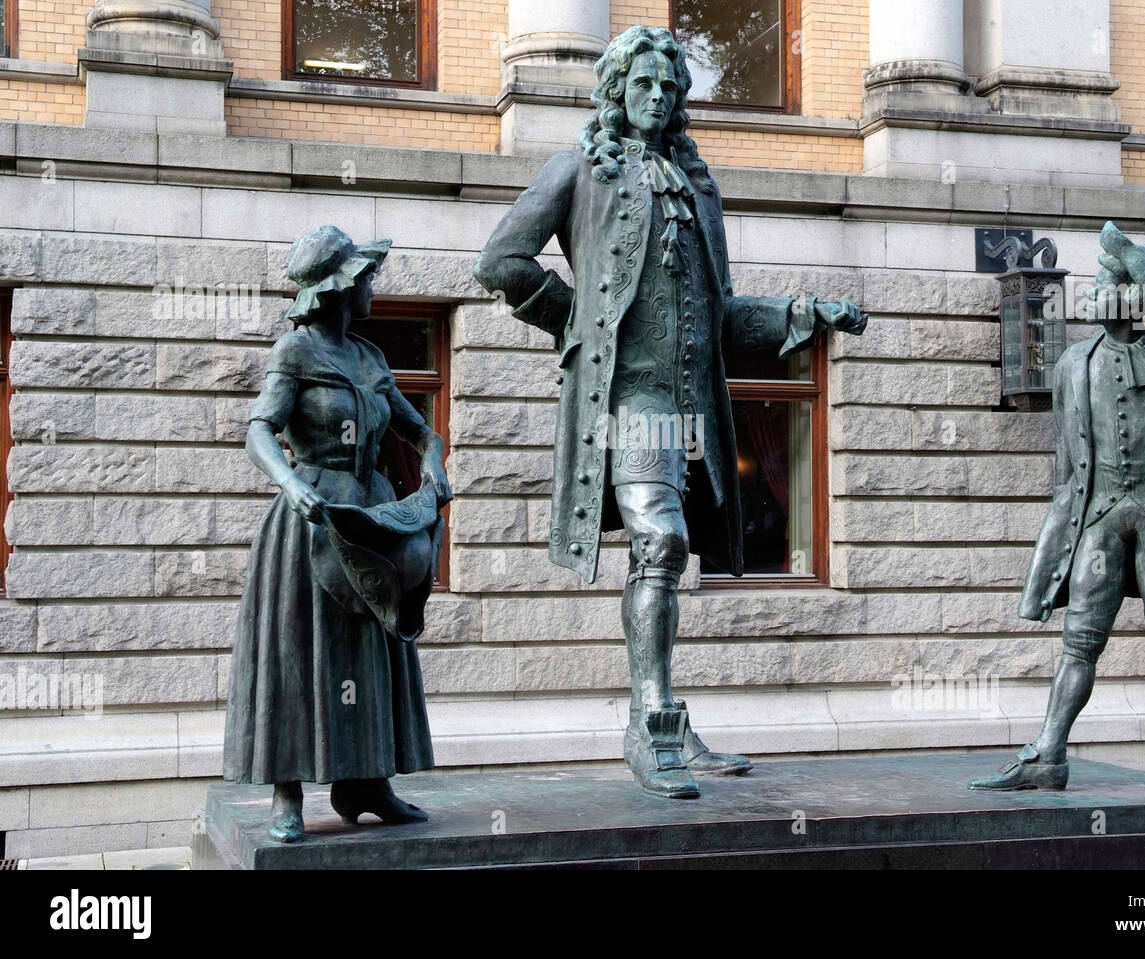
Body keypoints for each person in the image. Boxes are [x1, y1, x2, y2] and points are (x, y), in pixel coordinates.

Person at [474, 25, 866, 799]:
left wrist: (805, 312)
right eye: (643, 85)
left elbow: (721, 319)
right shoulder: (580, 170)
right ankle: (650, 720)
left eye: (669, 88)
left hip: (694, 406)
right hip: (632, 400)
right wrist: (577, 321)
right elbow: (501, 262)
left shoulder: (697, 185)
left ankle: (674, 722)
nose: (657, 98)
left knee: (675, 551)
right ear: (616, 90)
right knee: (660, 539)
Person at [970, 222, 1145, 799]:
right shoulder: (1073, 365)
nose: (1102, 291)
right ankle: (1049, 751)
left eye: (1113, 281)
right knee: (1080, 639)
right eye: (1101, 281)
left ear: (1138, 296)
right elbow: (1069, 462)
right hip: (1098, 519)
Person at [223, 225, 454, 842]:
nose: (372, 287)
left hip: (373, 518)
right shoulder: (294, 353)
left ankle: (369, 783)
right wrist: (292, 484)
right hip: (313, 520)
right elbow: (259, 431)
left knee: (372, 654)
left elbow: (419, 431)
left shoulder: (371, 358)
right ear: (339, 289)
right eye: (365, 278)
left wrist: (433, 463)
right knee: (301, 655)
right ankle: (287, 793)